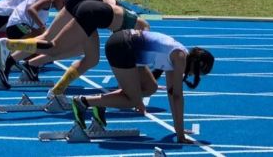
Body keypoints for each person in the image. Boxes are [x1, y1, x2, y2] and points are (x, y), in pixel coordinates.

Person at [71, 29, 214, 144]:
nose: (191, 75)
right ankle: (83, 102)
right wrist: (180, 134)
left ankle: (101, 103)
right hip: (122, 46)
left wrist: (179, 131)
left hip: (126, 45)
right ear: (197, 65)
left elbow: (172, 94)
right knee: (133, 100)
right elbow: (177, 96)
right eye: (198, 73)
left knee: (150, 87)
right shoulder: (180, 57)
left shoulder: (179, 56)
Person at [0, 0, 149, 93]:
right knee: (53, 43)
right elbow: (128, 61)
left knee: (88, 55)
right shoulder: (139, 29)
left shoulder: (134, 26)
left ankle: (31, 64)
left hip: (85, 4)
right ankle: (9, 53)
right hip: (87, 5)